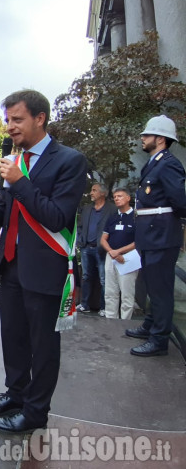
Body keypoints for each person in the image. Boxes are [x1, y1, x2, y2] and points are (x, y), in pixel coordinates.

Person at [0, 89, 87, 434]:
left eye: (17, 119)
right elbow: (8, 214)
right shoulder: (15, 159)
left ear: (39, 118)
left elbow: (58, 217)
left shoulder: (69, 161)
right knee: (13, 337)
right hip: (12, 263)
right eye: (7, 120)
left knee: (43, 346)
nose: (9, 127)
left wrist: (20, 181)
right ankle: (16, 394)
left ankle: (35, 412)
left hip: (46, 268)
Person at [127, 115, 186, 357]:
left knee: (160, 288)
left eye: (147, 135)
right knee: (152, 284)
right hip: (151, 234)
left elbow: (180, 201)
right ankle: (152, 324)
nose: (142, 138)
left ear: (160, 139)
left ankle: (159, 339)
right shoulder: (154, 162)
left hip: (161, 235)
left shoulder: (168, 163)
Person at [76, 183, 117, 316]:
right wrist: (80, 240)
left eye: (94, 190)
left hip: (102, 249)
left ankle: (104, 308)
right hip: (86, 247)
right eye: (91, 190)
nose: (91, 193)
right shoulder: (87, 208)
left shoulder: (111, 209)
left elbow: (114, 228)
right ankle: (84, 304)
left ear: (103, 193)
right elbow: (81, 225)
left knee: (104, 279)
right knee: (86, 276)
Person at [101, 187, 138, 320]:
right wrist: (112, 252)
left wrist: (119, 252)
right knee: (110, 292)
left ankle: (125, 322)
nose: (116, 198)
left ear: (128, 198)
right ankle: (111, 320)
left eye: (120, 196)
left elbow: (138, 242)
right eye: (115, 197)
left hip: (128, 259)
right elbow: (103, 239)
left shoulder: (135, 217)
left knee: (127, 294)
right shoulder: (113, 217)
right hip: (111, 257)